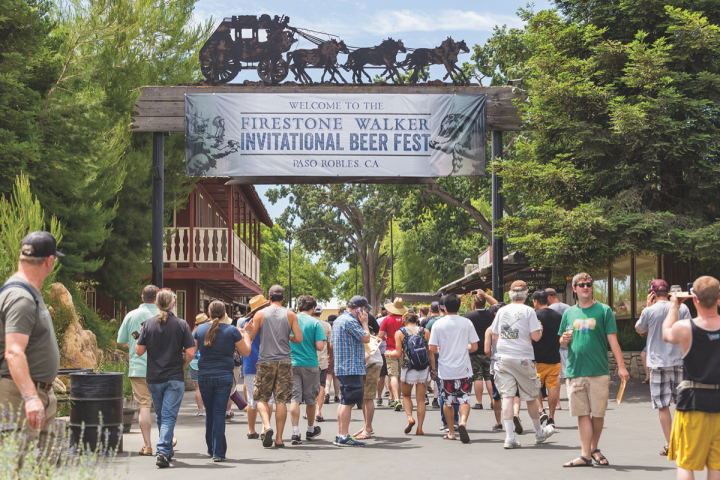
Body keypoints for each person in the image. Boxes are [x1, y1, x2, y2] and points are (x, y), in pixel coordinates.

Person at [0, 232, 62, 459]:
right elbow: (13, 352)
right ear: (49, 261)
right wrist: (31, 397)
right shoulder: (21, 298)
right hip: (20, 395)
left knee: (39, 470)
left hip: (39, 393)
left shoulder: (29, 292)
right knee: (18, 469)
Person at [559, 273, 629, 467]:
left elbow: (613, 340)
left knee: (598, 414)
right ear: (575, 289)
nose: (585, 287)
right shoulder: (568, 313)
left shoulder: (604, 310)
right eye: (581, 285)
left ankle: (594, 448)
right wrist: (563, 340)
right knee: (582, 413)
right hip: (575, 370)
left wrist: (621, 366)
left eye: (588, 284)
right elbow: (562, 340)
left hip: (598, 370)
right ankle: (585, 455)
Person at [663, 276, 720, 480]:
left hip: (694, 400)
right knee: (716, 466)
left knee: (686, 464)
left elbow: (666, 334)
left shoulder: (685, 327)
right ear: (718, 298)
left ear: (694, 299)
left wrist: (674, 306)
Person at [136, 289, 196, 468]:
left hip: (154, 377)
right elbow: (191, 352)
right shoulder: (181, 324)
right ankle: (162, 450)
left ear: (155, 303)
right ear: (173, 304)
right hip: (174, 376)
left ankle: (167, 450)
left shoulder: (148, 324)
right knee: (168, 416)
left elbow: (139, 351)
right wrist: (182, 364)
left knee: (162, 416)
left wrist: (141, 335)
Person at [492, 281, 554, 449]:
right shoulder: (529, 311)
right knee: (531, 396)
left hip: (503, 357)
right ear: (526, 295)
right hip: (523, 358)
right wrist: (539, 330)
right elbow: (536, 337)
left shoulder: (501, 311)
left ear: (510, 295)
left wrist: (503, 350)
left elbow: (495, 335)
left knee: (507, 396)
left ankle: (509, 437)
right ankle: (538, 433)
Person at [636, 279, 691, 456]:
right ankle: (685, 442)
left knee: (663, 406)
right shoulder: (682, 308)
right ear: (667, 292)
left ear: (652, 293)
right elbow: (690, 328)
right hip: (679, 361)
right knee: (681, 405)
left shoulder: (649, 310)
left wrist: (646, 306)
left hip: (657, 363)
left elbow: (639, 329)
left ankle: (670, 444)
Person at [242, 285, 303, 448]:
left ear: (269, 297)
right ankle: (279, 439)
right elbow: (299, 338)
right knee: (281, 400)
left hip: (265, 361)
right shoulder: (291, 315)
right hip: (284, 362)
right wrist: (287, 336)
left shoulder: (260, 314)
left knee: (261, 397)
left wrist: (247, 333)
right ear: (283, 298)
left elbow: (251, 337)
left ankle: (267, 426)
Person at [193, 300, 251, 461]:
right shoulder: (232, 330)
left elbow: (191, 351)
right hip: (224, 375)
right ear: (225, 313)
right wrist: (247, 333)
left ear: (208, 314)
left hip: (204, 375)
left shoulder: (199, 330)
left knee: (210, 414)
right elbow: (245, 352)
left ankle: (211, 449)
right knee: (219, 413)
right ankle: (219, 452)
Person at [428, 293, 479, 443]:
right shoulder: (467, 323)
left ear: (443, 307)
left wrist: (443, 350)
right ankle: (462, 422)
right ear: (459, 306)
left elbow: (431, 347)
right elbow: (475, 346)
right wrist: (463, 349)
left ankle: (451, 431)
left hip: (445, 370)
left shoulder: (438, 324)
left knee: (448, 401)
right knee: (464, 399)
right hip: (464, 368)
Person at [117, 284, 159, 455]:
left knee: (144, 406)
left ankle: (147, 445)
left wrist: (136, 337)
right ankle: (167, 438)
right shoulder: (163, 315)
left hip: (138, 367)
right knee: (163, 405)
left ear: (142, 298)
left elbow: (120, 340)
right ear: (156, 298)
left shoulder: (131, 315)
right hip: (160, 368)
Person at [331, 295, 371, 446]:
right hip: (351, 367)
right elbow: (366, 338)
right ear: (359, 309)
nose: (366, 313)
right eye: (365, 310)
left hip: (342, 367)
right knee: (348, 402)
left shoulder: (339, 320)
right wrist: (365, 323)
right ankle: (343, 436)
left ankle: (340, 434)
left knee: (344, 401)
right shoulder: (351, 321)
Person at [387, 312, 435, 435]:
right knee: (421, 399)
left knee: (407, 396)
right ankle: (420, 428)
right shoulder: (425, 331)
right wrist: (433, 369)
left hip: (408, 369)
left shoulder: (400, 333)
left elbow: (398, 354)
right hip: (423, 369)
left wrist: (388, 354)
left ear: (404, 321)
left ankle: (410, 418)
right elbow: (430, 352)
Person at [289, 295, 325, 445]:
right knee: (311, 399)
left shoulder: (290, 320)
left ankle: (295, 432)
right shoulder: (315, 323)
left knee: (294, 399)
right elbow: (320, 346)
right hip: (310, 363)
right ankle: (310, 430)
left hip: (292, 363)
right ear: (312, 308)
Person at [241, 295, 273, 440]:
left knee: (252, 400)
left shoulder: (247, 325)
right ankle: (264, 428)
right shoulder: (272, 323)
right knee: (268, 399)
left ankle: (251, 430)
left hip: (250, 363)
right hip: (269, 362)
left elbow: (242, 345)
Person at [532, 289, 563, 426]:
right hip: (555, 357)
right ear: (548, 299)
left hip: (537, 359)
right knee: (552, 387)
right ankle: (551, 417)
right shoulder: (558, 316)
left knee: (537, 386)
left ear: (536, 301)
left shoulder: (534, 316)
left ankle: (541, 410)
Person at [465, 291, 497, 410]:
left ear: (474, 303)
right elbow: (497, 304)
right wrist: (485, 295)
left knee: (477, 376)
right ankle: (493, 400)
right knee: (489, 376)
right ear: (484, 302)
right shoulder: (491, 314)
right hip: (488, 348)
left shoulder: (469, 316)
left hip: (475, 349)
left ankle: (479, 402)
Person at [379, 298, 406, 411]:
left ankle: (396, 399)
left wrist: (388, 338)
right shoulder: (405, 319)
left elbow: (380, 336)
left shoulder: (387, 319)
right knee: (401, 376)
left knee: (393, 375)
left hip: (390, 350)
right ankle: (400, 398)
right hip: (404, 351)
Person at [546, 288, 570, 410]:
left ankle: (557, 403)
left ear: (549, 297)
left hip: (554, 345)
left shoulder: (549, 310)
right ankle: (572, 401)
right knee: (568, 374)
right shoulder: (568, 308)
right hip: (567, 344)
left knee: (556, 376)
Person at [315, 304, 332, 422]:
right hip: (322, 360)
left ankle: (308, 412)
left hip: (308, 359)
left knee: (310, 387)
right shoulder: (326, 325)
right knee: (321, 385)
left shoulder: (307, 323)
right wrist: (330, 354)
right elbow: (330, 344)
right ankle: (318, 411)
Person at [188, 313, 206, 416]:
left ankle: (200, 410)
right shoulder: (206, 332)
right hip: (204, 361)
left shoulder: (192, 333)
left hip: (193, 362)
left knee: (197, 387)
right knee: (206, 386)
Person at [376, 302, 390, 407]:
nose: (382, 311)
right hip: (392, 350)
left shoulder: (379, 320)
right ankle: (391, 398)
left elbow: (378, 335)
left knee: (381, 375)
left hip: (381, 350)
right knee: (392, 375)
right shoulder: (399, 320)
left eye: (383, 309)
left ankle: (379, 397)